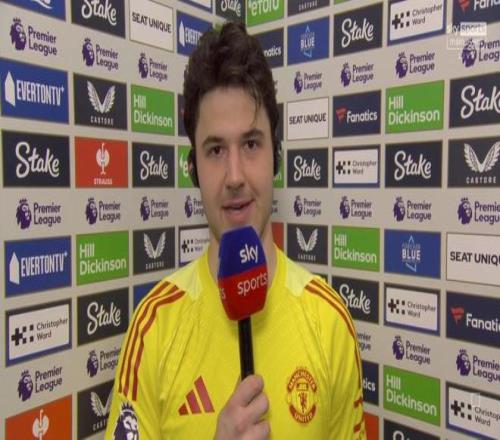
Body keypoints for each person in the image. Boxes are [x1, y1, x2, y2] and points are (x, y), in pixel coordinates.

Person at [106, 22, 366, 440]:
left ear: (275, 155)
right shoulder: (153, 329)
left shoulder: (330, 322)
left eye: (250, 144)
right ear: (193, 168)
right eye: (215, 150)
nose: (234, 176)